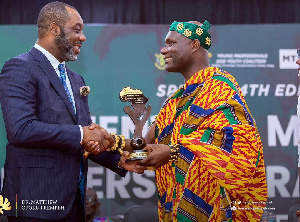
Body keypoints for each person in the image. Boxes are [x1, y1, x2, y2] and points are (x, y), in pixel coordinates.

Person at [116, 20, 268, 221]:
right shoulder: (175, 101)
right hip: (175, 210)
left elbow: (241, 149)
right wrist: (113, 143)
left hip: (215, 210)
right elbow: (146, 145)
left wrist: (173, 152)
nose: (163, 50)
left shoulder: (221, 88)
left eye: (171, 43)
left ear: (195, 45)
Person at [0, 2, 128, 221]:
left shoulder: (76, 79)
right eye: (76, 29)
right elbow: (20, 129)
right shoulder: (20, 67)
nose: (83, 37)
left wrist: (121, 160)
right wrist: (81, 134)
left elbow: (88, 140)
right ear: (54, 28)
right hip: (35, 202)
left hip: (74, 202)